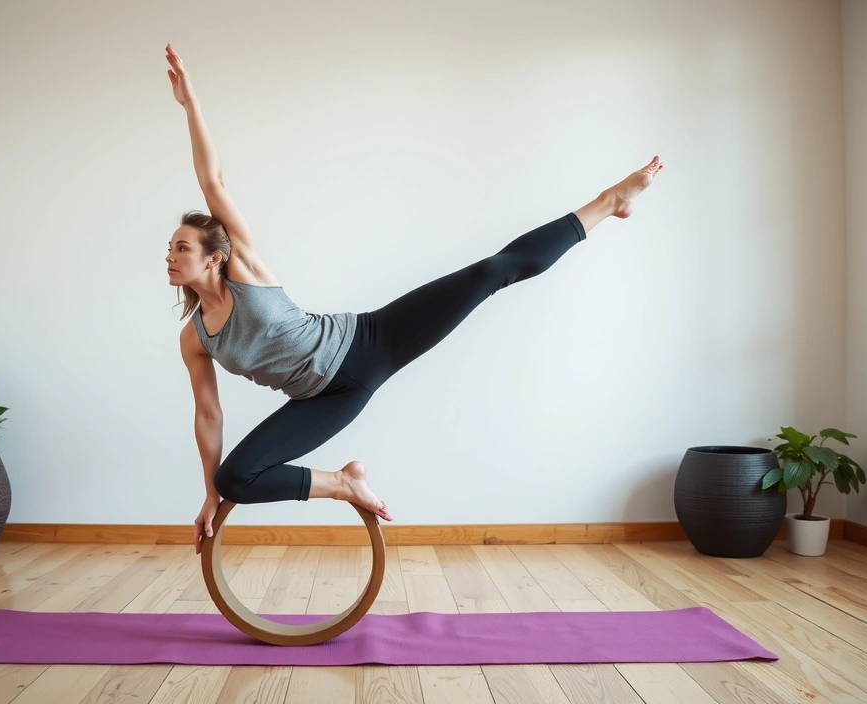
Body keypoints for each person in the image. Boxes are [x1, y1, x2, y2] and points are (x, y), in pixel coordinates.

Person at [163, 44, 664, 554]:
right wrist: (209, 495)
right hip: (326, 399)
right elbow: (208, 415)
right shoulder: (195, 338)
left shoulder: (244, 267)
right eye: (169, 249)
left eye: (181, 247)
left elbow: (213, 180)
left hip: (368, 343)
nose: (170, 256)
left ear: (214, 257)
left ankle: (608, 204)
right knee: (234, 480)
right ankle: (342, 483)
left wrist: (190, 105)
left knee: (491, 272)